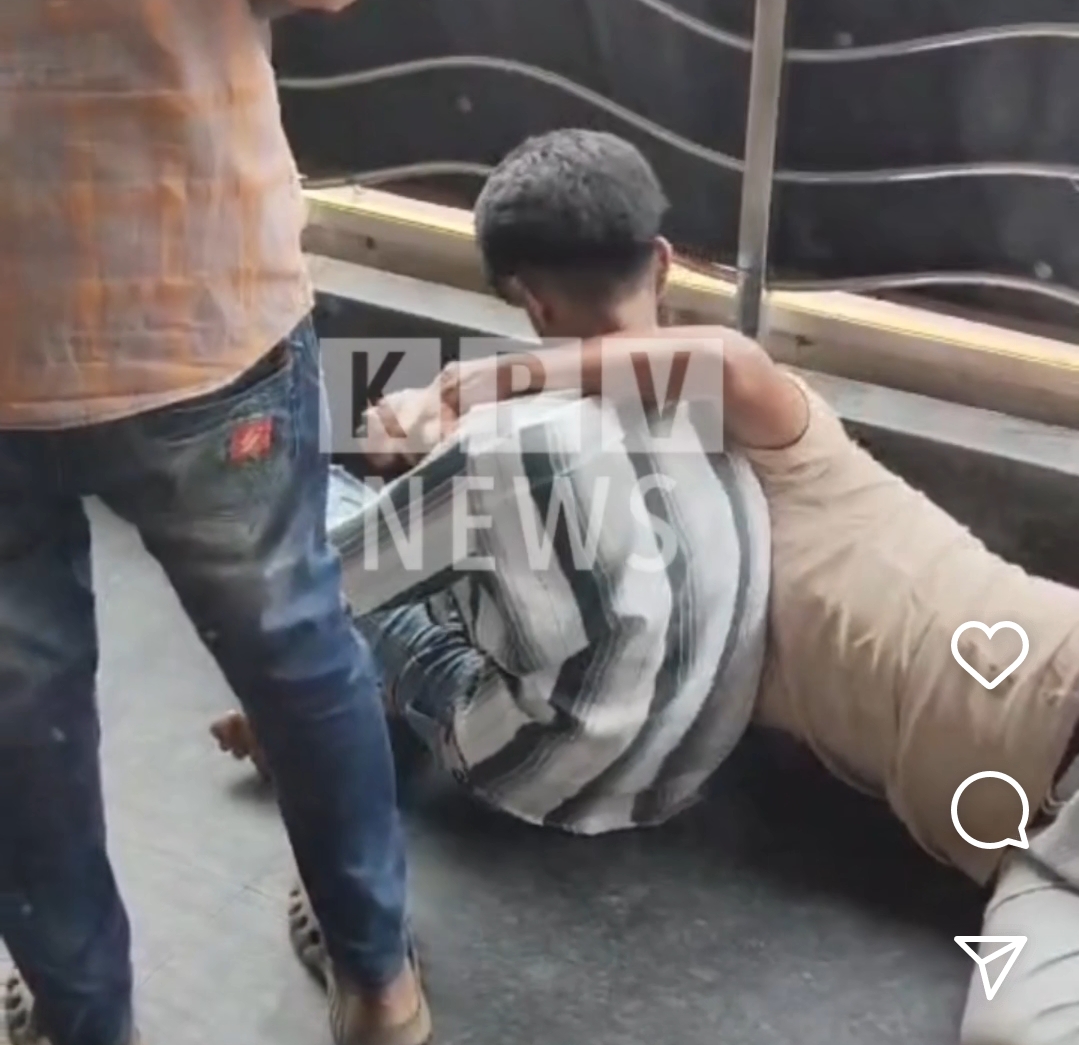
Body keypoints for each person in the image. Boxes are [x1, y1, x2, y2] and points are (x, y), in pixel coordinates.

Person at [214, 128, 1079, 1042]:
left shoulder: (757, 433)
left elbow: (716, 368)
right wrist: (466, 407)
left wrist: (480, 388)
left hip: (1044, 746)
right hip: (1036, 816)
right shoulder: (745, 445)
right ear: (663, 261)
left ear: (529, 300)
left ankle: (288, 540)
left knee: (355, 519)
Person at [0, 3, 430, 1045]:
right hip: (193, 300)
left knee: (15, 704)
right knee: (297, 653)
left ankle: (80, 1019)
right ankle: (379, 983)